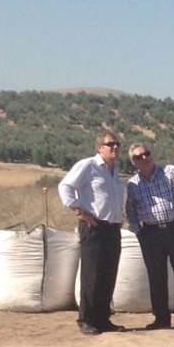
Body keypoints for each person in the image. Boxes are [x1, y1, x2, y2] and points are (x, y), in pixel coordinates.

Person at [58, 132, 126, 335]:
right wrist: (78, 210)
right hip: (94, 226)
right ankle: (86, 319)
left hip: (112, 227)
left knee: (109, 274)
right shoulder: (88, 165)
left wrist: (119, 215)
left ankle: (103, 318)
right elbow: (65, 186)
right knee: (92, 274)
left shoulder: (115, 170)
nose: (115, 147)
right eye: (110, 144)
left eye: (117, 144)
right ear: (100, 148)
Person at [125, 143, 174, 331]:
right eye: (139, 157)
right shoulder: (133, 184)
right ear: (134, 162)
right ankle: (161, 318)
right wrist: (139, 232)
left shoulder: (168, 172)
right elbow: (130, 210)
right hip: (150, 232)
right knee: (156, 276)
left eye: (146, 154)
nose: (144, 158)